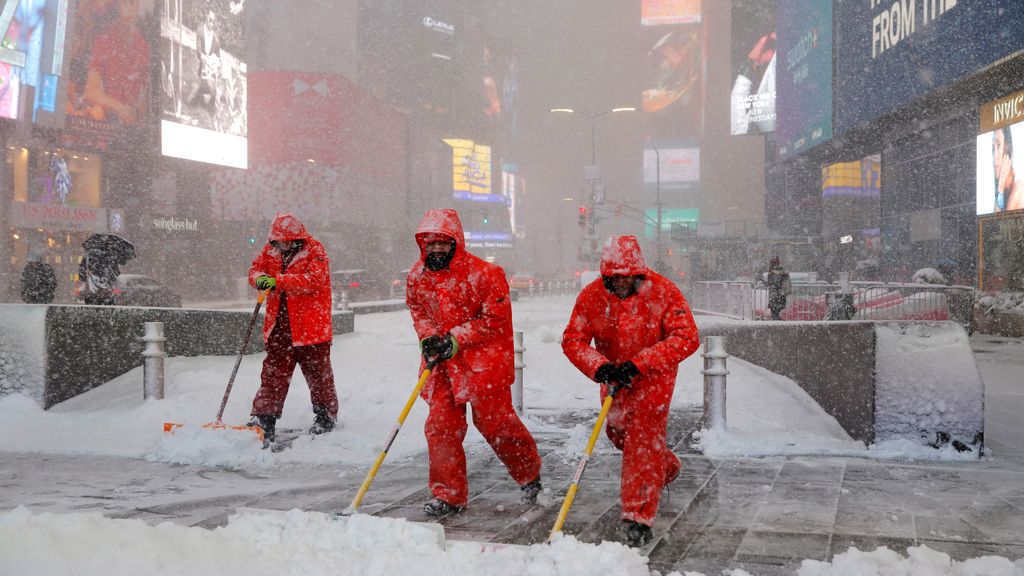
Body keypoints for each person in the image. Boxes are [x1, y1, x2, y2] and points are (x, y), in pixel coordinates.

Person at [562, 235, 700, 547]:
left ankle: (638, 517)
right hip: (614, 379)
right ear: (605, 276)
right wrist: (600, 367)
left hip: (653, 378)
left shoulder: (664, 292)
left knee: (642, 441)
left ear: (639, 273)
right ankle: (665, 465)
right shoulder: (591, 297)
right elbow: (573, 340)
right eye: (615, 279)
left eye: (628, 279)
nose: (622, 285)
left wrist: (640, 363)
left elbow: (686, 337)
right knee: (617, 432)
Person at [406, 208, 542, 516]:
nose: (436, 249)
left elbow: (495, 320)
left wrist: (456, 338)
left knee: (496, 425)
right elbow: (418, 311)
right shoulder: (417, 276)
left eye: (443, 242)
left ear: (456, 242)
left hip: (482, 363)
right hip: (441, 363)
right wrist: (428, 336)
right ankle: (448, 494)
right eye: (431, 243)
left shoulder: (486, 274)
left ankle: (529, 473)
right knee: (440, 428)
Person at [246, 213, 337, 442]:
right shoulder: (271, 251)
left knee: (319, 376)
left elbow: (313, 281)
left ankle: (326, 415)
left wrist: (278, 281)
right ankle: (264, 417)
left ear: (297, 239)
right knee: (273, 374)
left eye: (286, 241)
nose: (282, 246)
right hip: (280, 326)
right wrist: (259, 279)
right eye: (278, 242)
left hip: (311, 328)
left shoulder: (315, 251)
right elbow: (255, 270)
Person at [185, 10, 221, 117]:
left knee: (213, 92)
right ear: (207, 18)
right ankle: (196, 97)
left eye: (214, 22)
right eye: (210, 20)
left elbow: (218, 56)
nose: (212, 23)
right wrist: (205, 59)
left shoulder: (215, 39)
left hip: (210, 70)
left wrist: (216, 63)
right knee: (190, 98)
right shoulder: (200, 31)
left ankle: (210, 108)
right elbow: (198, 51)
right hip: (203, 68)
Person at [766, 256, 791, 321]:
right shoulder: (782, 271)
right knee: (776, 312)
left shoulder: (773, 272)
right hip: (780, 295)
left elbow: (774, 283)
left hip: (775, 296)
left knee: (774, 313)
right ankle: (778, 324)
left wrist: (769, 283)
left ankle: (777, 326)